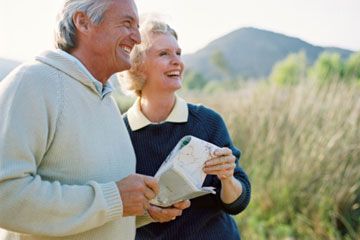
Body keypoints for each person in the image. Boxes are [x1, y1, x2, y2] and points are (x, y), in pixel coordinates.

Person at [0, 1, 189, 239]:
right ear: (83, 22)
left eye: (137, 26)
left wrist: (143, 209)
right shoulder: (32, 84)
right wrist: (115, 199)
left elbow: (101, 209)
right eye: (127, 24)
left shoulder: (106, 100)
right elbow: (5, 195)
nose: (137, 38)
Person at [121, 19, 251, 239]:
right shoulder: (119, 132)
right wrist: (147, 212)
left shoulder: (208, 122)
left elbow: (237, 203)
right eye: (164, 54)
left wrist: (228, 177)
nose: (177, 62)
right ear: (137, 65)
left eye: (178, 53)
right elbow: (116, 208)